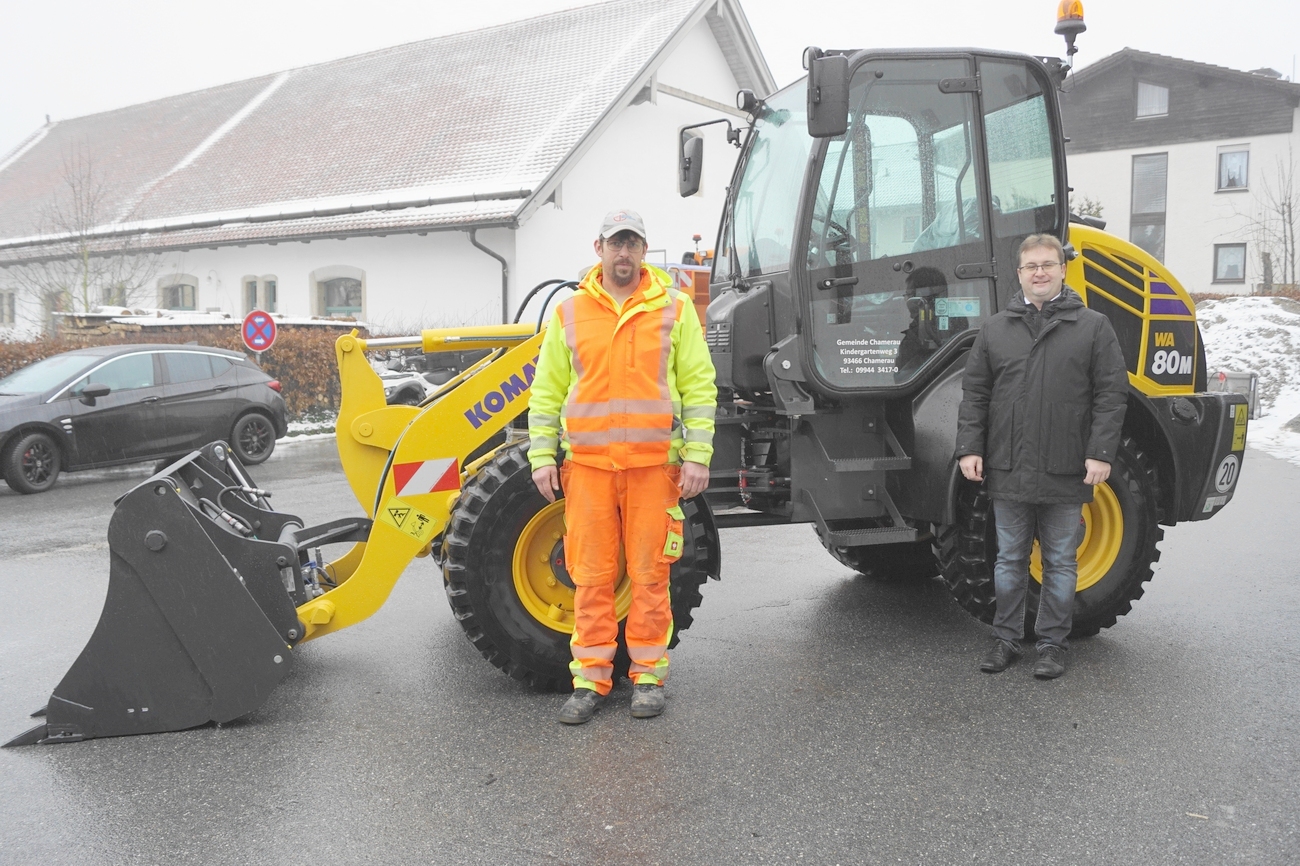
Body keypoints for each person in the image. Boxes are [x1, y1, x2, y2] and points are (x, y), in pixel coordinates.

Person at [528, 209, 717, 723]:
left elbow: (699, 388)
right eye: (616, 243)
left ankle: (648, 676)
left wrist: (697, 456)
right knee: (589, 576)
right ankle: (589, 680)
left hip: (654, 468)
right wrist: (542, 455)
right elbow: (546, 393)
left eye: (633, 243)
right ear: (599, 249)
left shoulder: (675, 310)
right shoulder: (569, 313)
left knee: (651, 575)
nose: (624, 253)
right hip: (588, 469)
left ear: (643, 249)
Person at [954, 233, 1127, 679]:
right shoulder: (995, 330)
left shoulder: (1092, 327)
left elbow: (1111, 395)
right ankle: (1006, 638)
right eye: (1031, 266)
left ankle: (1052, 643)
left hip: (1066, 467)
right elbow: (975, 395)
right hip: (1009, 466)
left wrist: (1100, 453)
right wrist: (970, 447)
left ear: (1062, 269)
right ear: (1019, 273)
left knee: (1061, 562)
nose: (1040, 273)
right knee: (1009, 560)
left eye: (1047, 264)